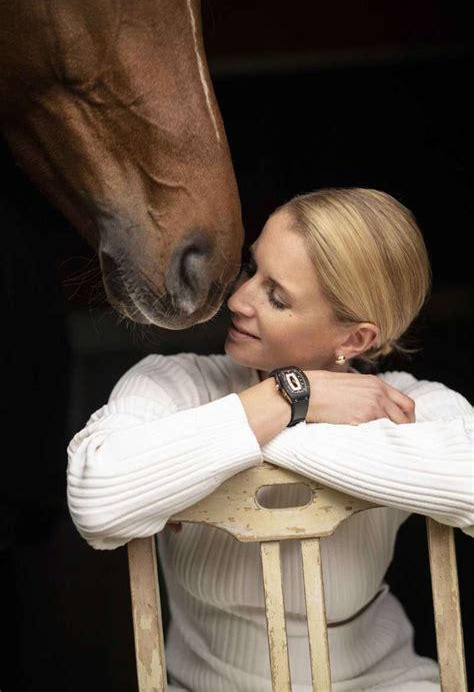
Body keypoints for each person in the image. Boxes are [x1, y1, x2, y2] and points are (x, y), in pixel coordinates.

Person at [67, 188, 473, 691]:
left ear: (354, 340)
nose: (237, 299)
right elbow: (97, 500)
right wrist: (292, 398)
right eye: (250, 269)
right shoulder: (172, 385)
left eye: (277, 297)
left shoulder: (403, 405)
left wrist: (206, 454)